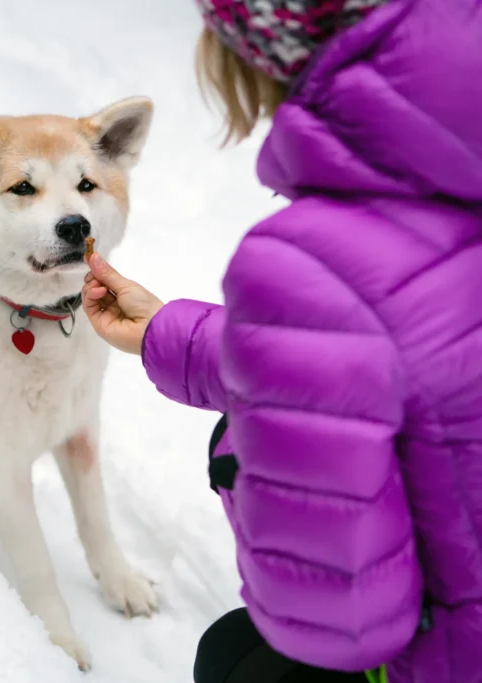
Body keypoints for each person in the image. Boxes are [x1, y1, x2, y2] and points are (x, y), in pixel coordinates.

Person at [81, 1, 482, 682]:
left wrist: (245, 450)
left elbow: (339, 620)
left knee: (239, 663)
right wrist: (167, 333)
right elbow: (419, 349)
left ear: (253, 52)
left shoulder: (316, 265)